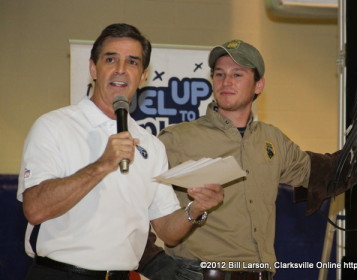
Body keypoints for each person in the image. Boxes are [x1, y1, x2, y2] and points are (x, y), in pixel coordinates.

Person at [138, 39, 357, 280]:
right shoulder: (177, 139)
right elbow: (131, 202)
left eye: (237, 74)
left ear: (258, 85)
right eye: (219, 74)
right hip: (200, 273)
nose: (226, 81)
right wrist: (153, 262)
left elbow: (328, 175)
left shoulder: (272, 140)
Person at [16, 23, 224, 280]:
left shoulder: (150, 144)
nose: (121, 70)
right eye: (111, 59)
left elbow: (167, 231)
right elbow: (35, 209)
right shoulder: (54, 126)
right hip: (60, 273)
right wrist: (102, 164)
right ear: (93, 68)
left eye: (132, 62)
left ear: (143, 75)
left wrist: (195, 209)